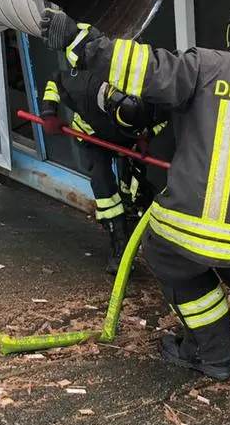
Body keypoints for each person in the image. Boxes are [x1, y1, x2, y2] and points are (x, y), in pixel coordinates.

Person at [39, 0, 230, 414]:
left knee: (169, 259)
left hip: (188, 225)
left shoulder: (209, 66)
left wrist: (80, 40)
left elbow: (144, 68)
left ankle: (213, 356)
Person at [40, 68, 167, 273]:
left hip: (128, 138)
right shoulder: (83, 84)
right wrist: (48, 113)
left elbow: (164, 118)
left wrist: (146, 134)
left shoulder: (148, 89)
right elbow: (55, 82)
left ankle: (133, 213)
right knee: (102, 184)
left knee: (134, 183)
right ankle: (119, 240)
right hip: (92, 136)